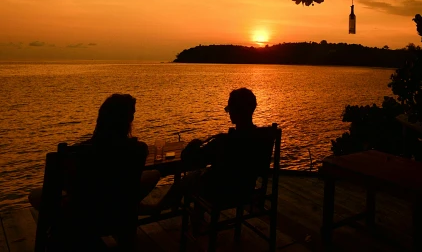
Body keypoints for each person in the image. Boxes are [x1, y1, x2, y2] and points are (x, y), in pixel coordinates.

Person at [28, 93, 161, 210]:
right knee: (153, 174)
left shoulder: (76, 153)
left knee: (35, 195)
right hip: (119, 209)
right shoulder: (139, 149)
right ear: (127, 121)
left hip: (85, 214)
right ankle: (138, 208)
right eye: (132, 116)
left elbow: (65, 184)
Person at [149, 87, 273, 210]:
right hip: (246, 189)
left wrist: (193, 144)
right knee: (198, 176)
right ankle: (195, 216)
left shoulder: (224, 141)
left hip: (221, 192)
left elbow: (191, 159)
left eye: (229, 109)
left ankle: (158, 209)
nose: (228, 112)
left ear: (235, 111)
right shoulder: (262, 137)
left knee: (187, 180)